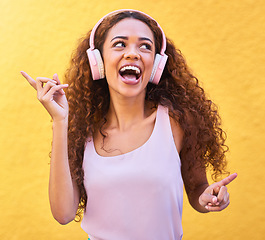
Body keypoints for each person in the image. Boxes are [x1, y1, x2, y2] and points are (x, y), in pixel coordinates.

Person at [21, 9, 237, 240]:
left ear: (156, 65)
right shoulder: (83, 129)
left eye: (145, 46)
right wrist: (60, 120)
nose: (133, 53)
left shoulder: (177, 123)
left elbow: (197, 190)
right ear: (98, 61)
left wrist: (209, 198)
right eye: (120, 44)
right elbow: (63, 213)